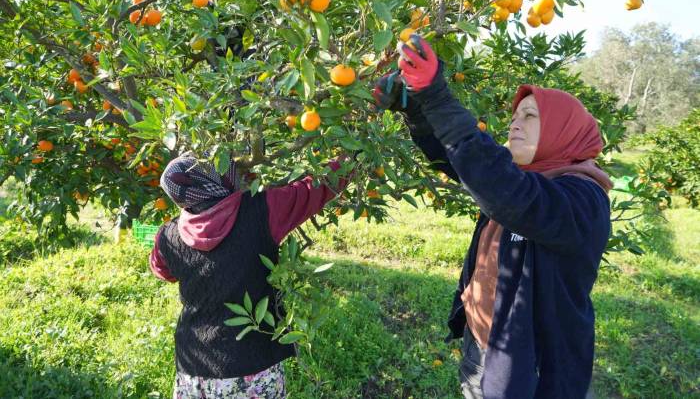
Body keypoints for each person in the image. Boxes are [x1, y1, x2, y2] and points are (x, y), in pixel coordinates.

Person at [372, 35, 613, 399]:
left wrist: (436, 96)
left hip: (528, 366)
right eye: (515, 116)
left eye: (530, 117)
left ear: (564, 132)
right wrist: (416, 111)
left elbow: (506, 192)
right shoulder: (529, 178)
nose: (515, 124)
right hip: (482, 342)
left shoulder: (583, 199)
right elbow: (465, 164)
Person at [149, 153, 349, 399]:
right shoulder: (262, 209)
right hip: (252, 368)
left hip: (194, 368)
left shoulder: (168, 236)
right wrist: (352, 154)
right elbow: (316, 189)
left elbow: (162, 271)